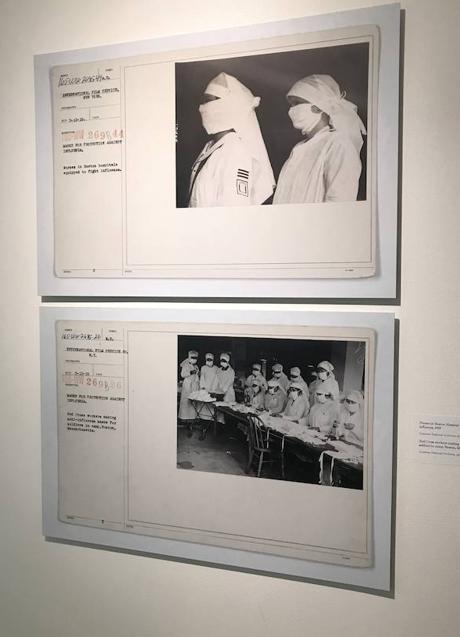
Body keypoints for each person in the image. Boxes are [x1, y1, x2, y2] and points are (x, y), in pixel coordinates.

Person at [273, 74, 366, 204]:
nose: (291, 110)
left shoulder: (338, 145)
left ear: (317, 107)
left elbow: (339, 203)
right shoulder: (298, 148)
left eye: (297, 103)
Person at [189, 72, 275, 207]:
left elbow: (233, 209)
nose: (202, 107)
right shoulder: (210, 147)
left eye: (208, 101)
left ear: (228, 105)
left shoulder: (236, 151)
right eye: (202, 101)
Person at [178, 350, 200, 433]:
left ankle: (192, 421)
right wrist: (191, 372)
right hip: (187, 386)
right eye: (193, 358)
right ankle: (186, 421)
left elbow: (197, 376)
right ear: (189, 357)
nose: (194, 359)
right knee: (187, 403)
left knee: (193, 405)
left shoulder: (196, 366)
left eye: (195, 358)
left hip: (194, 386)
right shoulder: (186, 365)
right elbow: (182, 375)